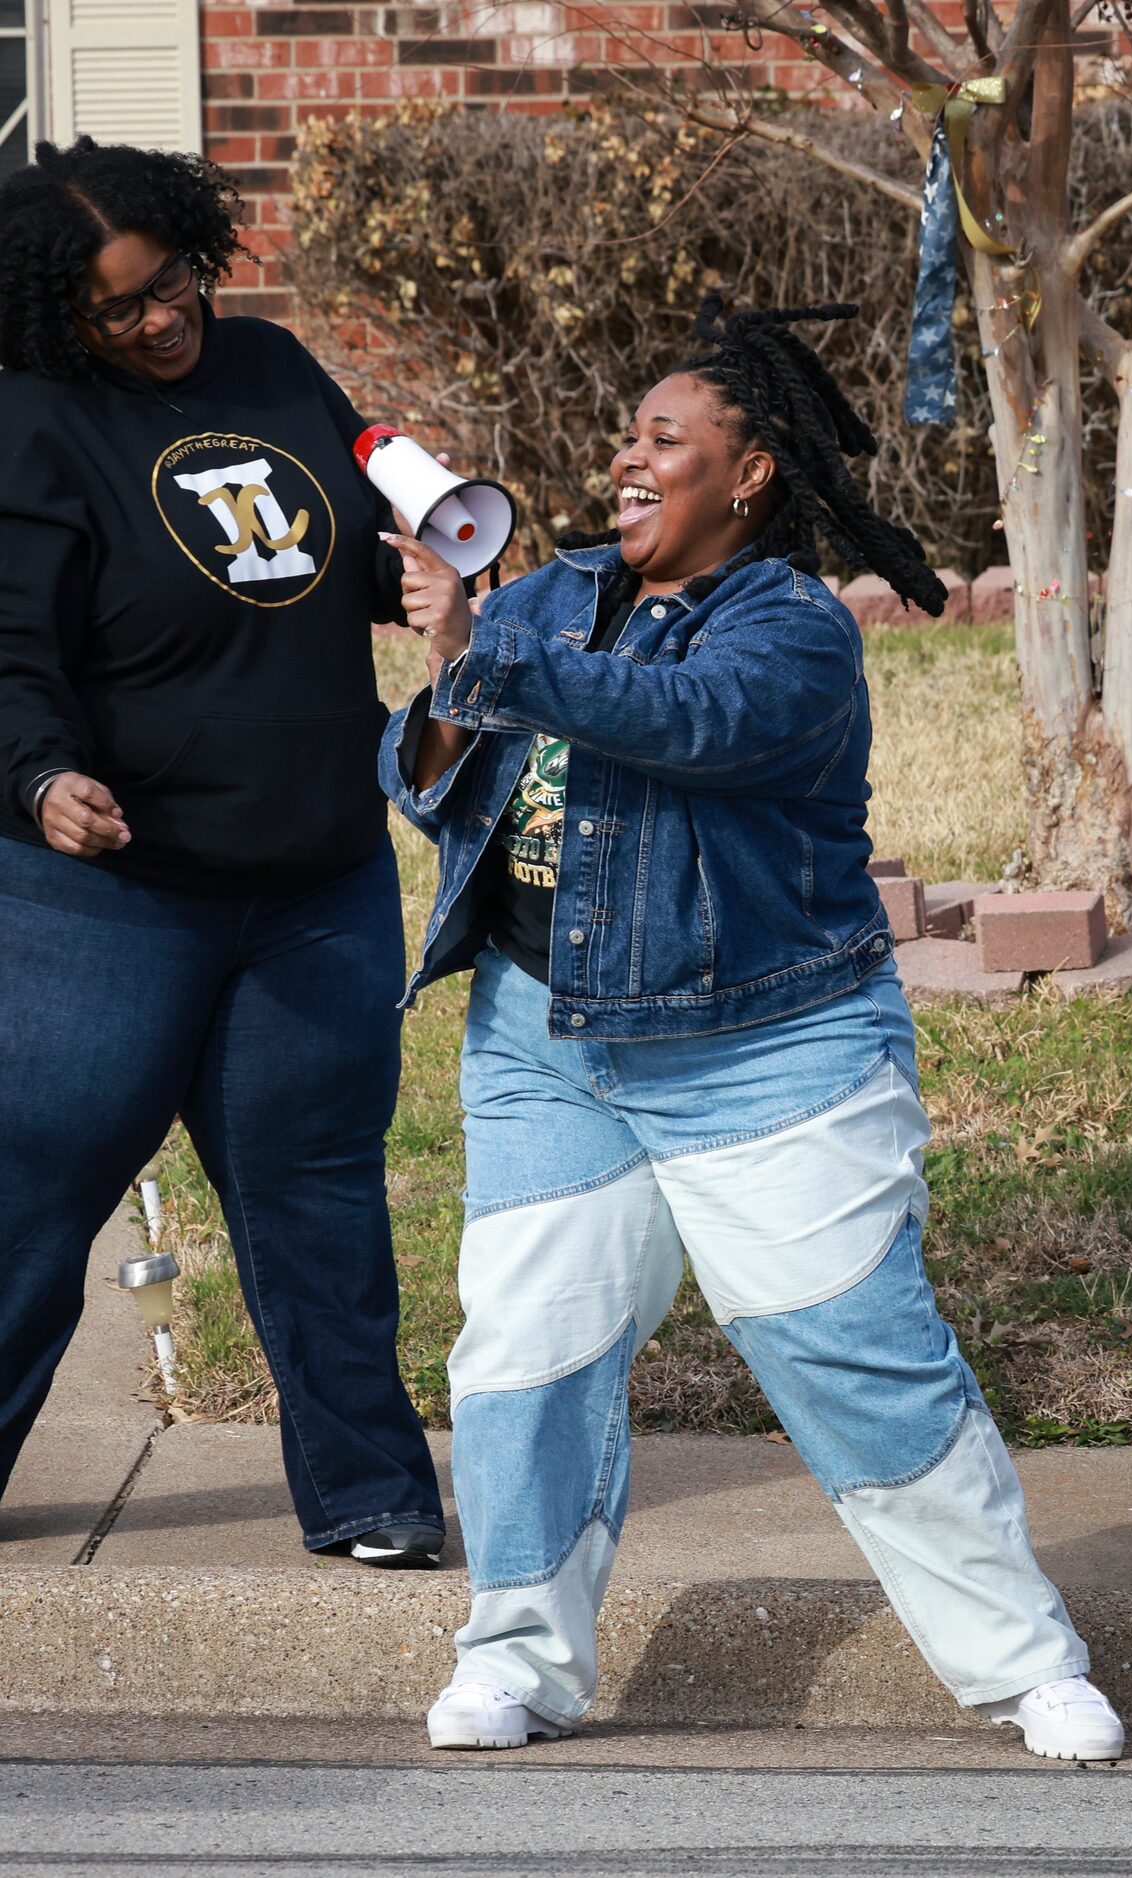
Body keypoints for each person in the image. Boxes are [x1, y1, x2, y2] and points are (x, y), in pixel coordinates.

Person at [383, 300, 1123, 1760]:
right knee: (524, 1356)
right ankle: (518, 1657)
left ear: (750, 474)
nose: (626, 457)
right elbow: (437, 793)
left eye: (666, 437)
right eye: (627, 435)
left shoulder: (791, 630)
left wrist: (487, 661)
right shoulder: (537, 603)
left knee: (854, 1355)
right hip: (548, 1043)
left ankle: (1024, 1658)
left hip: (767, 1046)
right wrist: (453, 691)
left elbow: (691, 723)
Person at [0, 139, 443, 1567]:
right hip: (109, 895)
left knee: (315, 1189)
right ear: (60, 314)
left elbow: (329, 541)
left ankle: (370, 1490)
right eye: (119, 304)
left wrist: (413, 570)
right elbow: (7, 648)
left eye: (172, 279)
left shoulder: (269, 366)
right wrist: (41, 774)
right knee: (34, 1192)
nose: (160, 317)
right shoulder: (34, 419)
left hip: (314, 877)